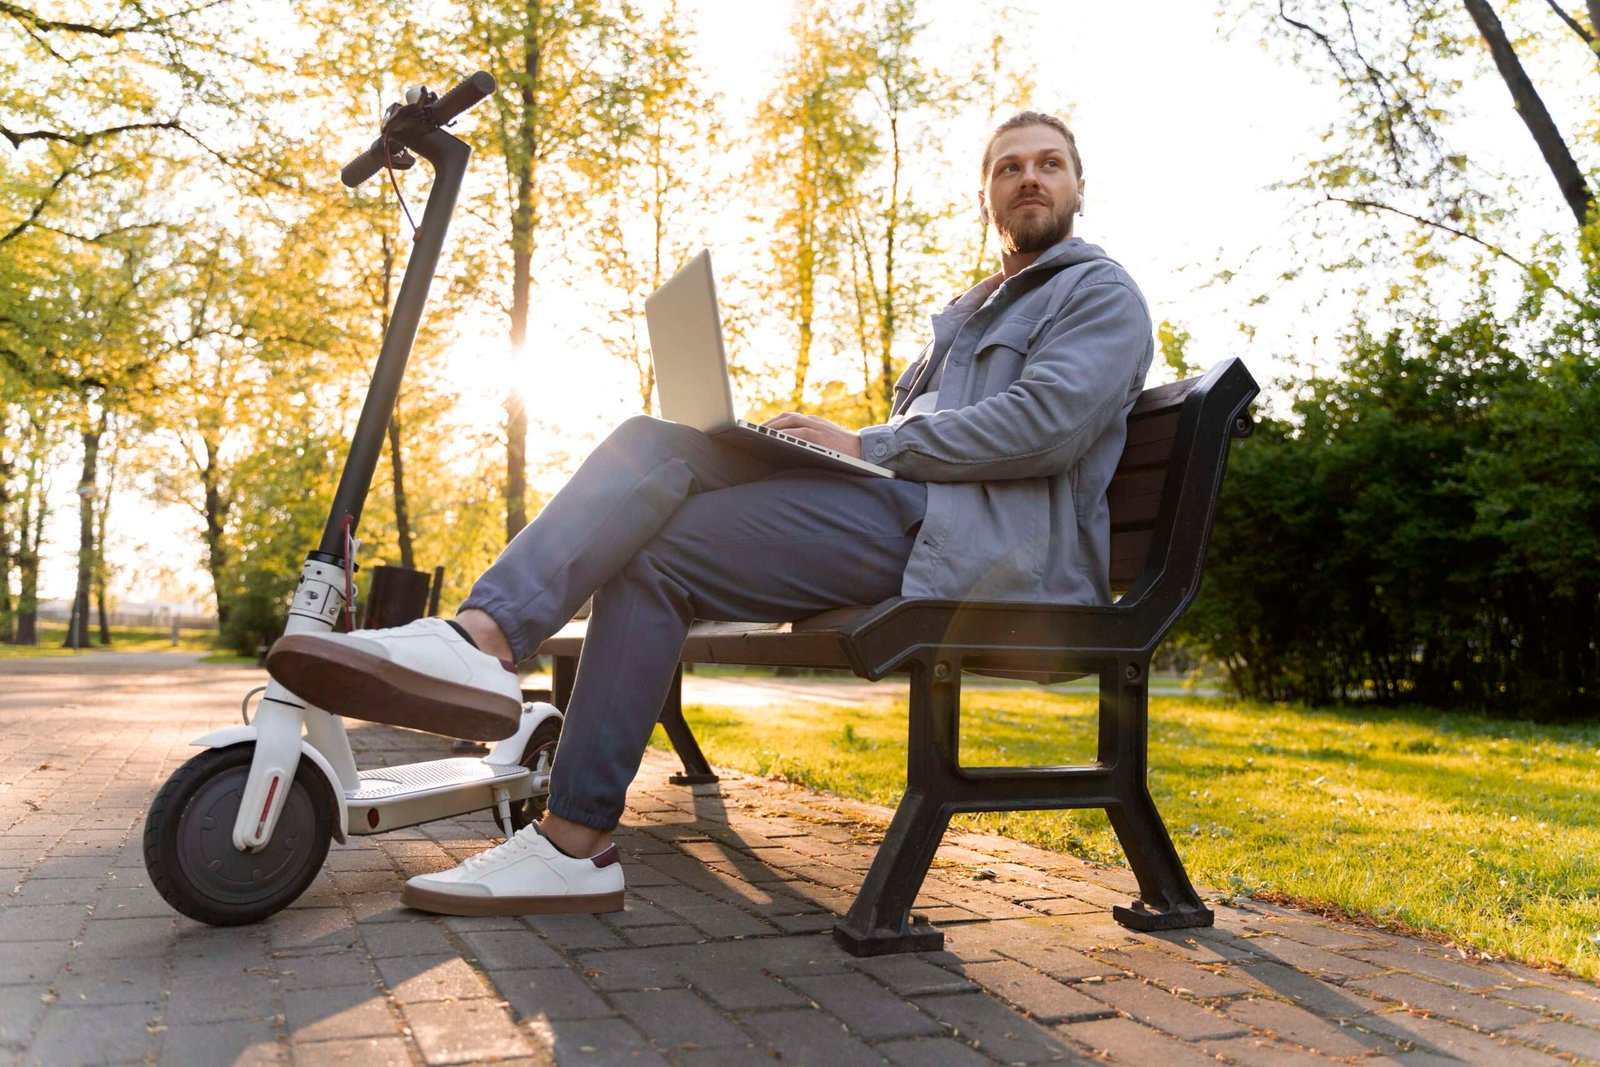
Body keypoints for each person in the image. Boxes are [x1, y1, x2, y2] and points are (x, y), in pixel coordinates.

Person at [265, 110, 1155, 917]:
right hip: (898, 510)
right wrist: (807, 450)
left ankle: (568, 828)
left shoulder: (1098, 294)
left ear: (1080, 185)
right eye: (1009, 167)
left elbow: (1047, 426)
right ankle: (483, 644)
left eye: (1048, 165)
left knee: (658, 552)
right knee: (653, 444)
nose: (1028, 178)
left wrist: (864, 445)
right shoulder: (964, 318)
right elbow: (927, 439)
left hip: (967, 545)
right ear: (987, 195)